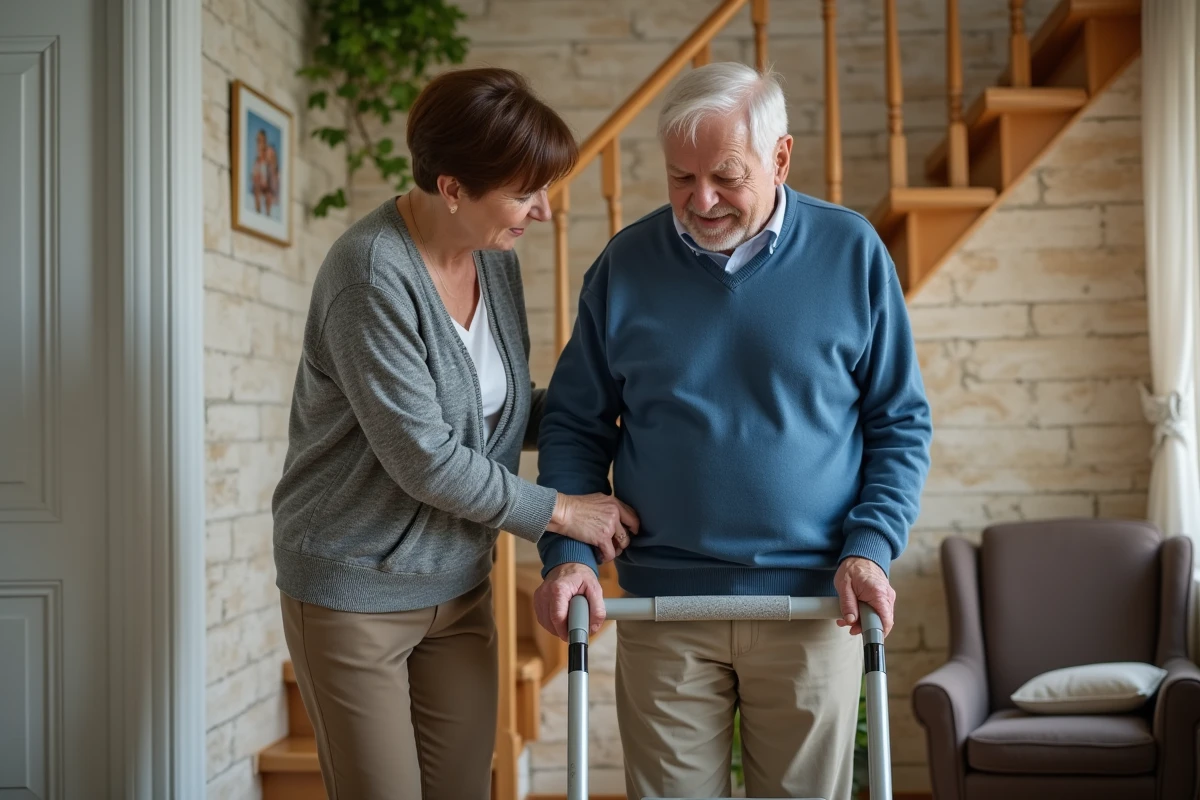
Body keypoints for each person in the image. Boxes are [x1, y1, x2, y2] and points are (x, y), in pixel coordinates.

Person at [533, 62, 932, 800]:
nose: (701, 200)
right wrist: (565, 553)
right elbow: (574, 423)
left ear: (779, 157)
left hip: (815, 608)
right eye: (680, 178)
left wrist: (870, 548)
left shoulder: (852, 254)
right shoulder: (626, 263)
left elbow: (898, 422)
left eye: (724, 176)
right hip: (665, 606)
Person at [272, 67, 639, 800]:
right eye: (524, 192)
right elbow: (428, 459)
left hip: (460, 586)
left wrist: (631, 411)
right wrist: (562, 511)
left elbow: (493, 411)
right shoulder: (371, 275)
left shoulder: (489, 258)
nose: (541, 210)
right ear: (452, 188)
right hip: (354, 590)